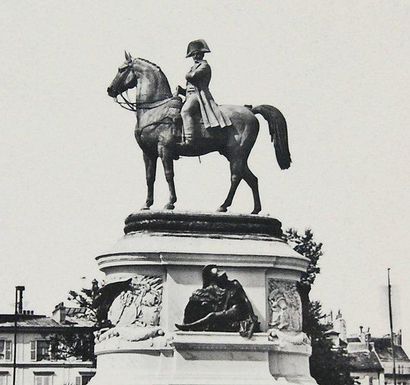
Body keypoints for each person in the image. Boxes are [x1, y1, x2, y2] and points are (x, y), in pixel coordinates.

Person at [175, 264, 259, 338]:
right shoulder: (213, 289)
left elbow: (246, 300)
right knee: (212, 315)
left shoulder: (234, 284)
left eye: (225, 276)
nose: (226, 278)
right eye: (222, 277)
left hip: (237, 310)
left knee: (212, 316)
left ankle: (189, 326)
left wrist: (252, 317)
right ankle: (189, 325)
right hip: (229, 313)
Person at [179, 39, 231, 146]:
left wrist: (187, 75)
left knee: (185, 111)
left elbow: (193, 76)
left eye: (194, 54)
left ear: (200, 54)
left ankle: (189, 140)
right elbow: (191, 87)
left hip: (199, 96)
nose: (193, 57)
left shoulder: (204, 66)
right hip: (191, 95)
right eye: (192, 54)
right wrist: (181, 91)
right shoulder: (193, 67)